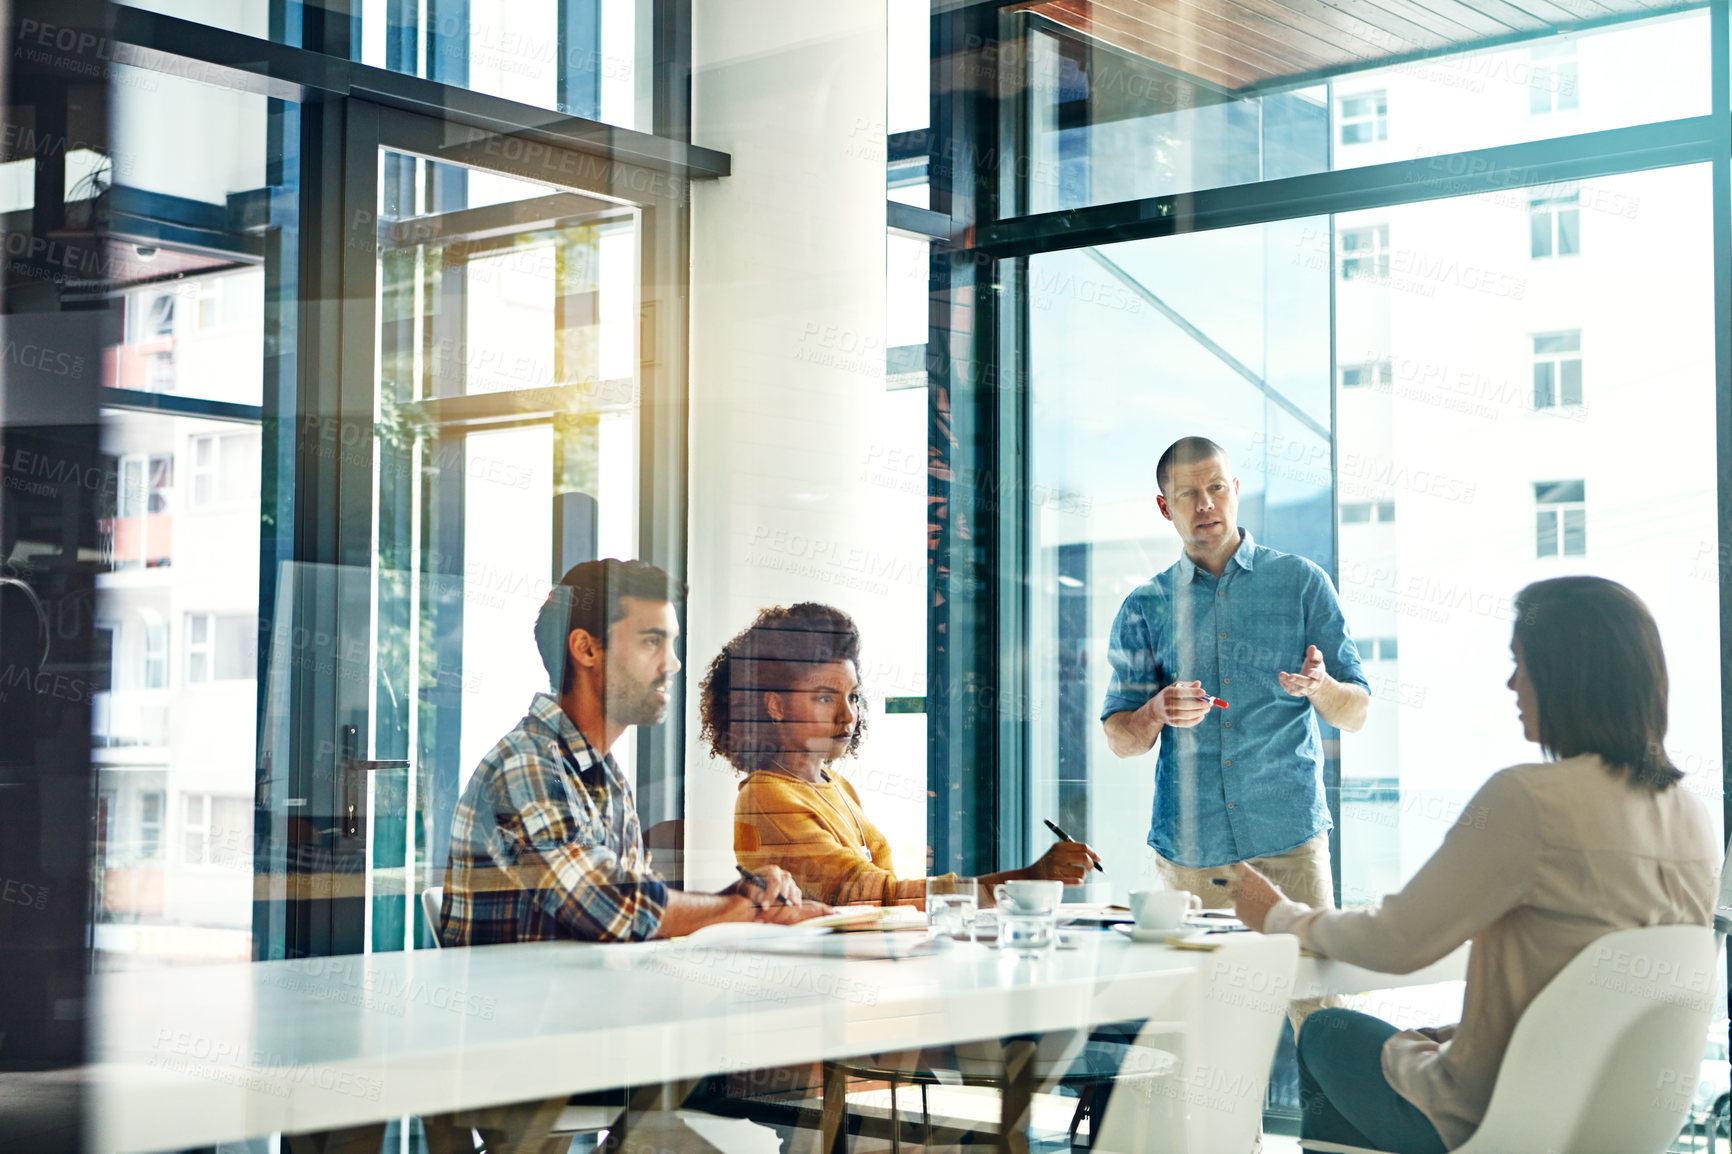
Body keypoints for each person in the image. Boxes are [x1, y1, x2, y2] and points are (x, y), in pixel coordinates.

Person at [1228, 576, 1718, 1153]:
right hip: (1608, 1123)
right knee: (1413, 1039)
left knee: (1328, 1029)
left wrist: (1281, 916)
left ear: (1567, 676)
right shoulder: (1693, 817)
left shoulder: (1532, 800)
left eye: (1521, 663)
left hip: (1491, 1119)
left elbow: (1397, 940)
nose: (1512, 685)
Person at [440, 559, 829, 946]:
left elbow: (643, 906)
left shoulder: (602, 775)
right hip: (533, 1005)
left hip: (589, 1001)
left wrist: (743, 898)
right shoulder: (527, 766)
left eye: (671, 643)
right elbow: (609, 907)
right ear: (586, 649)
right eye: (651, 641)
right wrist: (748, 913)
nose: (673, 663)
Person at [1101, 435, 1369, 925]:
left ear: (1236, 490)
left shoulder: (1301, 583)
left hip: (1291, 847)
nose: (1206, 504)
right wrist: (1156, 710)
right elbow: (1121, 739)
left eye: (1217, 487)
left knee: (1313, 997)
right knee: (1202, 1000)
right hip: (1191, 858)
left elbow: (1357, 714)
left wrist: (1322, 688)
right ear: (1165, 508)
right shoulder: (1145, 606)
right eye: (1187, 494)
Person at [700, 601, 1099, 906]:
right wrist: (1025, 880)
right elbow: (877, 896)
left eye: (853, 696)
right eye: (824, 697)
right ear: (775, 706)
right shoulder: (769, 797)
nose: (848, 714)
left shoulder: (834, 785)